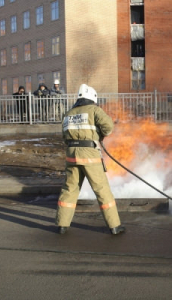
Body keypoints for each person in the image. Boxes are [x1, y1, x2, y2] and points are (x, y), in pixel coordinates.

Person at [55, 84, 125, 235]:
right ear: (93, 98)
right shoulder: (94, 110)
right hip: (89, 155)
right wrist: (99, 134)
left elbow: (64, 136)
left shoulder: (68, 114)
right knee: (102, 189)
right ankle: (114, 226)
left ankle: (62, 224)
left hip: (71, 154)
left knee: (69, 189)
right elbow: (108, 126)